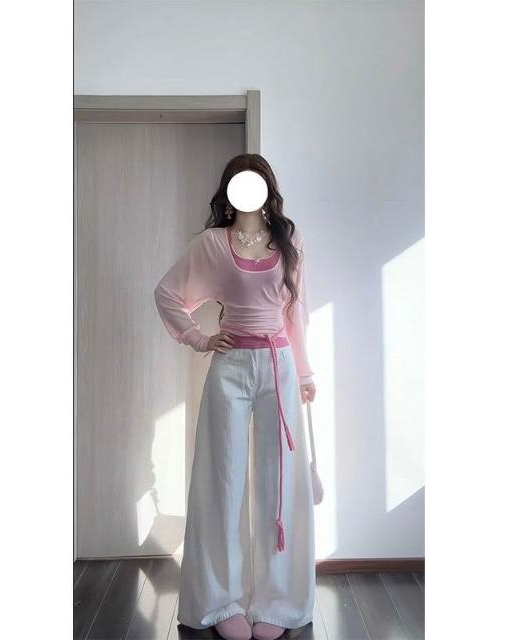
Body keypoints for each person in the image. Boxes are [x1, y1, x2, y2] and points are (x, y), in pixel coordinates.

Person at [154, 154, 316, 640]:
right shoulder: (212, 244)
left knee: (278, 484)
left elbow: (296, 312)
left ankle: (278, 603)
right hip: (230, 367)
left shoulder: (289, 239)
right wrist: (200, 338)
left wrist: (304, 372)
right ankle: (220, 601)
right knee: (221, 482)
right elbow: (167, 294)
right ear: (229, 190)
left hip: (278, 367)